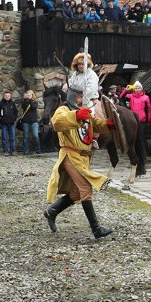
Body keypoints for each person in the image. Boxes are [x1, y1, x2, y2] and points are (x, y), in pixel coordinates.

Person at [43, 90, 113, 239]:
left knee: (75, 193)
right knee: (86, 187)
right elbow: (57, 123)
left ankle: (52, 211)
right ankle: (96, 229)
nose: (83, 99)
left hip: (83, 158)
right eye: (81, 96)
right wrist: (75, 116)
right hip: (71, 155)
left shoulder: (85, 111)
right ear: (74, 97)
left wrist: (107, 124)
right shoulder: (63, 110)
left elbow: (94, 125)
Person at [67, 52, 102, 120]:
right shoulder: (75, 74)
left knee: (87, 118)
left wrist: (83, 101)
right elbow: (70, 84)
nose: (81, 66)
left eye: (83, 64)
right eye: (79, 64)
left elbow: (90, 90)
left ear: (87, 64)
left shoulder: (92, 74)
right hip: (74, 101)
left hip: (89, 101)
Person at [120, 81, 151, 156]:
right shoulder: (130, 96)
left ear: (141, 89)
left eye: (139, 88)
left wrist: (148, 120)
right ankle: (134, 153)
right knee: (133, 137)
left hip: (142, 120)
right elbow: (121, 97)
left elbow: (148, 109)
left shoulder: (145, 97)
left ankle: (143, 153)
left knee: (141, 137)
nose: (137, 89)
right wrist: (126, 90)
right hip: (133, 120)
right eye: (136, 88)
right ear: (134, 89)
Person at [18, 90, 42, 155]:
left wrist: (30, 100)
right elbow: (23, 106)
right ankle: (26, 151)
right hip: (25, 121)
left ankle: (38, 150)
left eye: (29, 95)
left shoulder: (35, 102)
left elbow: (34, 107)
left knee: (35, 136)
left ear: (32, 95)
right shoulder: (24, 101)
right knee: (25, 137)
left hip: (34, 121)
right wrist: (25, 100)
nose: (28, 96)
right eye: (27, 94)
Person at [0, 91, 18, 155]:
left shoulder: (12, 103)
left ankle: (12, 151)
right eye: (6, 96)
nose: (7, 97)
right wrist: (1, 118)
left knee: (12, 137)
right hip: (4, 124)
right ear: (3, 96)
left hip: (11, 123)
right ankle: (5, 151)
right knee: (4, 138)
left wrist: (14, 118)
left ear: (10, 96)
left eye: (8, 96)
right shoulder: (0, 104)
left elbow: (16, 112)